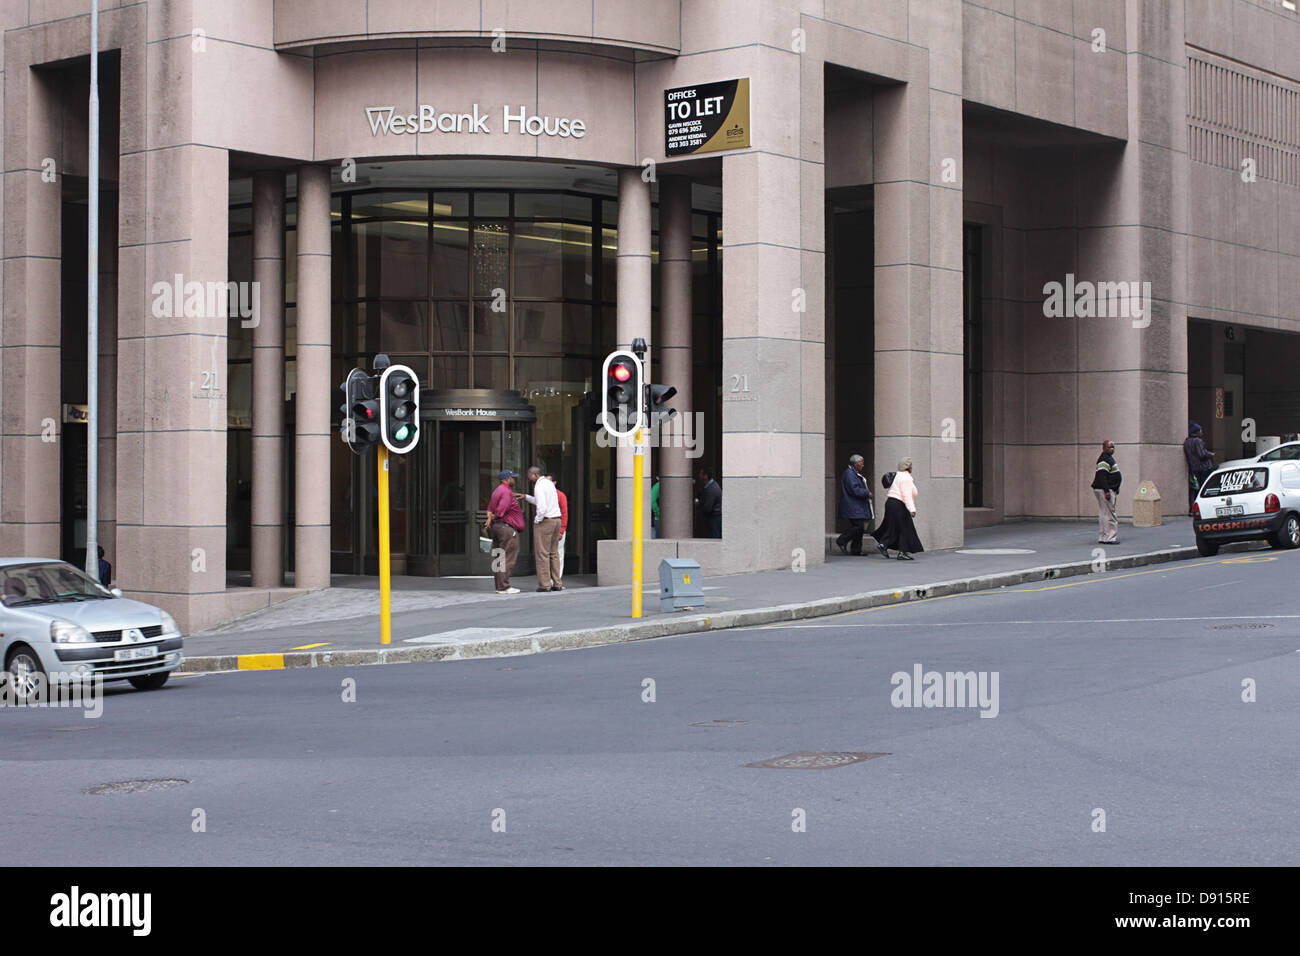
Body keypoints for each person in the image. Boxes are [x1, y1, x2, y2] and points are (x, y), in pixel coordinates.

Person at [522, 465, 564, 591]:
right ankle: (557, 583)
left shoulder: (539, 486)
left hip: (546, 521)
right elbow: (544, 501)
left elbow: (542, 507)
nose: (529, 478)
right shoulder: (549, 483)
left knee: (542, 554)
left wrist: (537, 520)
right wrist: (526, 497)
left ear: (535, 474)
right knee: (553, 553)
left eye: (529, 476)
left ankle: (545, 585)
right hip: (557, 520)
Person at [874, 457, 924, 560]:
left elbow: (912, 491)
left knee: (895, 526)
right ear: (908, 467)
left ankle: (884, 544)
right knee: (906, 527)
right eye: (911, 466)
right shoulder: (906, 478)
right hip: (899, 504)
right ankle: (902, 552)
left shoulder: (898, 476)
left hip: (891, 502)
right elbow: (906, 495)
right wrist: (912, 509)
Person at [483, 470, 524, 594]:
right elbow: (501, 510)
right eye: (513, 477)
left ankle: (499, 586)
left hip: (497, 528)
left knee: (498, 557)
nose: (514, 480)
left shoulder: (497, 491)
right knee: (508, 558)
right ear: (507, 479)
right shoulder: (506, 492)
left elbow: (489, 508)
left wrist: (490, 518)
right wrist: (494, 516)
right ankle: (504, 586)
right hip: (507, 529)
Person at [836, 454, 874, 555]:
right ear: (856, 463)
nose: (863, 465)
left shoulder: (854, 473)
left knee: (860, 528)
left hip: (855, 505)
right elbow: (854, 490)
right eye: (861, 463)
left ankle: (856, 550)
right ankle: (842, 540)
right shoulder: (849, 474)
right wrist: (867, 493)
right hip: (853, 505)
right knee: (858, 527)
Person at [1092, 439, 1122, 544]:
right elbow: (1102, 476)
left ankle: (1103, 537)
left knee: (1104, 513)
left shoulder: (1106, 458)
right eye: (1110, 447)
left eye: (1113, 447)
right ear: (1104, 448)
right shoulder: (1104, 459)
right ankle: (1110, 537)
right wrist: (1107, 491)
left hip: (1104, 489)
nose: (1112, 449)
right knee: (1110, 514)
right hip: (1106, 489)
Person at [1183, 421, 1214, 515]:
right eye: (1200, 430)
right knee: (1204, 489)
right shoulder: (1198, 441)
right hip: (1203, 468)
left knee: (1194, 489)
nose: (1201, 432)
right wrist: (1211, 454)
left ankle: (1193, 509)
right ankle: (1202, 509)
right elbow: (1202, 454)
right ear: (1196, 431)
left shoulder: (1187, 442)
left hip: (1193, 469)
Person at [547, 474, 569, 586]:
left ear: (555, 482)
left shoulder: (560, 495)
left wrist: (561, 530)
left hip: (558, 528)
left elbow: (564, 514)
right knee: (547, 553)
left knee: (558, 553)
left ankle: (556, 580)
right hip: (547, 528)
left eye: (549, 481)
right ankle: (549, 579)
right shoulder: (544, 494)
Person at [696, 467, 722, 538]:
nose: (699, 475)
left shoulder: (712, 489)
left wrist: (698, 506)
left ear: (706, 476)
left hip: (714, 518)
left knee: (714, 538)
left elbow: (707, 507)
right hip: (713, 517)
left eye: (701, 474)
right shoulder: (708, 487)